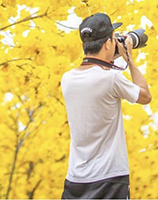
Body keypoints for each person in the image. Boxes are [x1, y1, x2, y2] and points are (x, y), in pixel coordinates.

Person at [61, 12, 152, 199]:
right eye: (113, 38)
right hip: (110, 180)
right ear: (108, 44)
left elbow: (93, 75)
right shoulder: (111, 79)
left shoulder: (67, 79)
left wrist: (108, 59)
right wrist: (128, 59)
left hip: (75, 179)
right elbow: (145, 96)